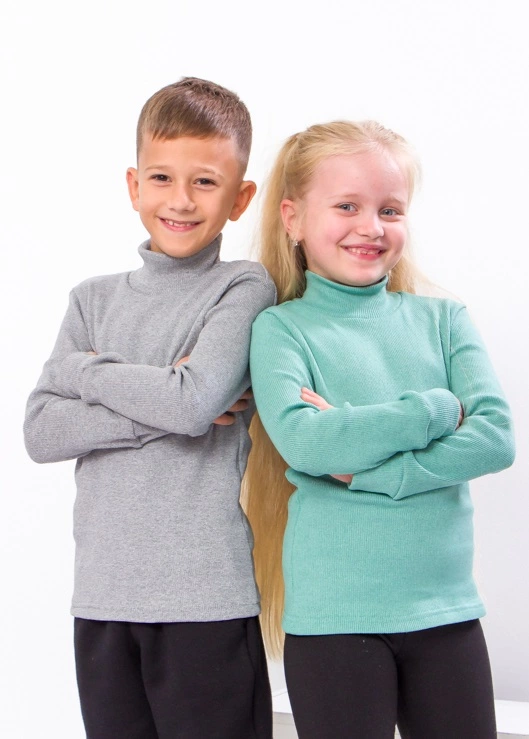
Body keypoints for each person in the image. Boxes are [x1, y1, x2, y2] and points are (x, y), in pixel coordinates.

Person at [243, 120, 515, 739]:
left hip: (445, 611)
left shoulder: (444, 320)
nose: (371, 227)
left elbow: (496, 437)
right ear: (292, 218)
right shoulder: (281, 330)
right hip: (334, 619)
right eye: (347, 206)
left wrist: (370, 469)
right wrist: (434, 410)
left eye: (390, 210)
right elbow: (307, 443)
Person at [24, 77, 276, 739]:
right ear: (134, 186)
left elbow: (193, 405)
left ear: (240, 198)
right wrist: (160, 400)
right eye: (162, 177)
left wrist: (83, 373)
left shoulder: (243, 287)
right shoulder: (91, 299)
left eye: (205, 182)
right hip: (101, 597)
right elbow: (42, 430)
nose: (180, 200)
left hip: (204, 598)